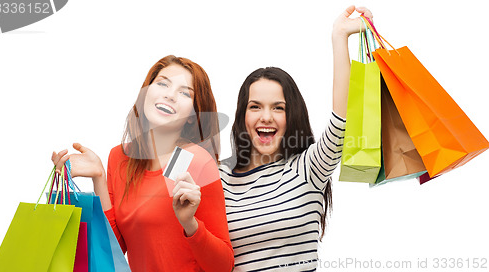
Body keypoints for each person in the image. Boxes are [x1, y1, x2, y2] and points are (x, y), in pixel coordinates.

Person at [219, 6, 372, 271]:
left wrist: (339, 37)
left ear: (292, 116)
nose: (266, 116)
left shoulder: (308, 168)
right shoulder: (219, 176)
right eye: (255, 107)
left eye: (278, 107)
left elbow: (342, 120)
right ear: (242, 116)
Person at [52, 55, 234, 272]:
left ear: (192, 116)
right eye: (163, 83)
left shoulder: (193, 160)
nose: (170, 95)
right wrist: (99, 178)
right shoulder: (120, 157)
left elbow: (223, 266)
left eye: (185, 93)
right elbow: (113, 252)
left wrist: (190, 224)